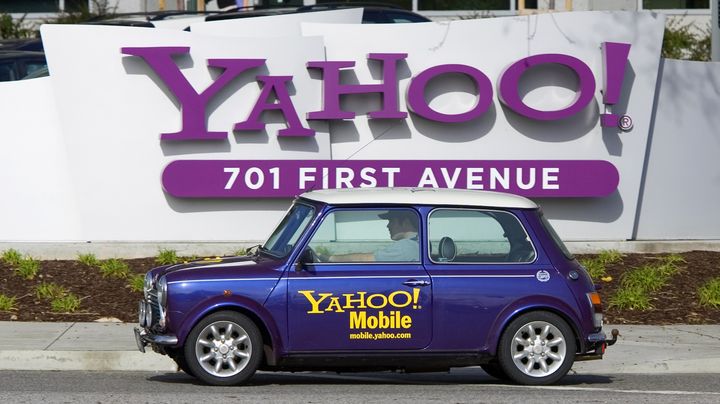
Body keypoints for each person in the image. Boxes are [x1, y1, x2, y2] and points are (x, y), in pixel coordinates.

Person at [327, 210, 419, 262]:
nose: (388, 226)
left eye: (392, 221)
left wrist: (331, 258)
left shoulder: (406, 246)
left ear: (406, 223)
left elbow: (366, 259)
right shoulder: (418, 243)